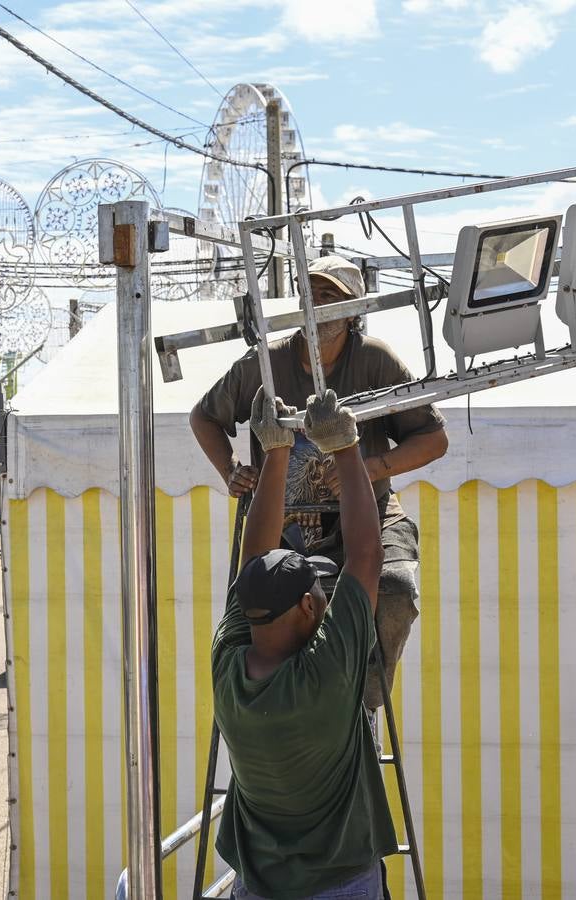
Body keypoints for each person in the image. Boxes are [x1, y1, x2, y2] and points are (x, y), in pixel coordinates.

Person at [191, 255, 448, 710]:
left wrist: (370, 468)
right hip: (283, 522)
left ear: (352, 313)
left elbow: (433, 438)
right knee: (260, 604)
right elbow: (203, 416)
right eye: (309, 294)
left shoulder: (375, 361)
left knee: (395, 589)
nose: (316, 307)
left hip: (367, 515)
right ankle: (281, 705)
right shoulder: (263, 365)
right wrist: (230, 469)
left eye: (329, 297)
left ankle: (361, 706)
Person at [212, 386, 398, 900]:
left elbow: (255, 558)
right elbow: (365, 555)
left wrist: (276, 454)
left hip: (258, 884)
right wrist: (344, 443)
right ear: (309, 608)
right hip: (339, 885)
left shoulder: (228, 663)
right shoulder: (324, 675)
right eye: (320, 587)